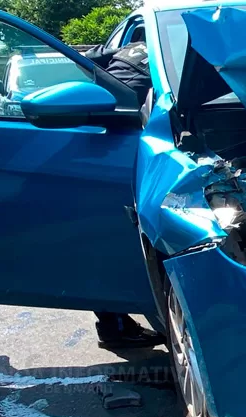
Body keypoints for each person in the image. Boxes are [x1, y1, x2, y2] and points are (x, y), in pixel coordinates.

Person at [85, 41, 162, 350]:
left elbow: (83, 59)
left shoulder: (129, 46)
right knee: (108, 239)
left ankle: (116, 323)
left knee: (105, 239)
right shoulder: (169, 46)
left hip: (112, 149)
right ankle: (115, 323)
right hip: (117, 153)